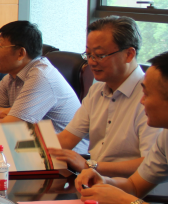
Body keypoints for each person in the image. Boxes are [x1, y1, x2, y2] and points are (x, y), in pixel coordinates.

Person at [49, 16, 161, 177]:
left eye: (100, 55)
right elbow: (66, 139)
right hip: (93, 181)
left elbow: (151, 162)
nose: (91, 62)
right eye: (88, 54)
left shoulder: (152, 98)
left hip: (131, 188)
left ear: (129, 54)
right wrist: (22, 150)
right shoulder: (96, 91)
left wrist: (91, 166)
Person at [76, 52, 167, 204]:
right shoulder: (165, 135)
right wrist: (105, 183)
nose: (142, 101)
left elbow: (130, 198)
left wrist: (126, 203)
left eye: (147, 94)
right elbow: (135, 186)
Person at [0, 21, 79, 131]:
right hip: (31, 140)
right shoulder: (12, 76)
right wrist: (0, 112)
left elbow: (11, 128)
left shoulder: (41, 77)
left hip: (61, 142)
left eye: (0, 47)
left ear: (21, 53)